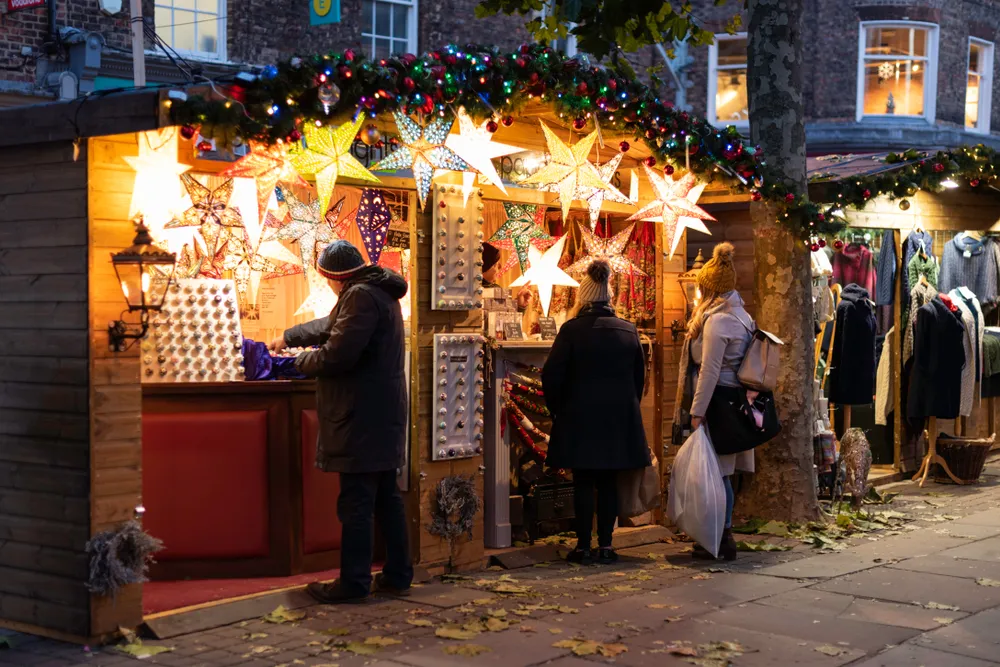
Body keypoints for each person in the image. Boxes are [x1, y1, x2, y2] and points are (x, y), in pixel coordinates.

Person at [269, 240, 413, 603]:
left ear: (334, 278)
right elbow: (331, 325)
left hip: (361, 417)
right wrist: (288, 336)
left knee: (357, 503)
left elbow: (338, 355)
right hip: (381, 414)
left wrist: (294, 362)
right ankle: (397, 575)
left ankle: (353, 583)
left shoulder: (360, 296)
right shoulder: (377, 291)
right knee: (385, 498)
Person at [542, 259, 650, 565]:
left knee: (584, 481)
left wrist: (559, 410)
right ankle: (606, 545)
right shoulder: (629, 331)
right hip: (618, 420)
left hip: (580, 418)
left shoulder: (572, 330)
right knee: (608, 482)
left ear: (584, 297)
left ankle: (583, 545)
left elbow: (552, 376)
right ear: (608, 296)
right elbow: (638, 380)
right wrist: (627, 408)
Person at [681, 242, 755, 561]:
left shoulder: (718, 321)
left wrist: (696, 412)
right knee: (722, 473)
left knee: (719, 473)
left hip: (719, 403)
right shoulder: (741, 315)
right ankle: (717, 533)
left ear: (710, 290)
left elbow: (710, 370)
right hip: (735, 401)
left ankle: (722, 537)